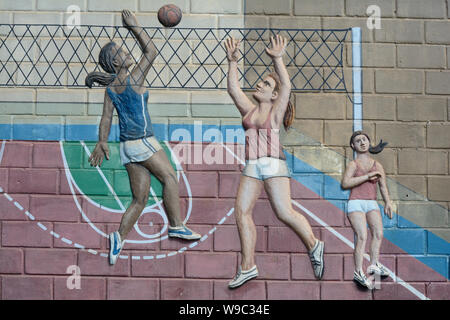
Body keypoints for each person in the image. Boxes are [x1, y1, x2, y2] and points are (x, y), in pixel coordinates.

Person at [85, 10, 201, 265]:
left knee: (140, 199)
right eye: (122, 53)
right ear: (116, 63)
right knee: (170, 177)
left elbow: (106, 118)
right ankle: (176, 225)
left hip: (127, 147)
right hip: (143, 140)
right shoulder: (133, 77)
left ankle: (119, 237)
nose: (127, 53)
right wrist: (135, 27)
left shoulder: (111, 88)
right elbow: (151, 51)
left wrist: (102, 141)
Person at [224, 35, 325, 289]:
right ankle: (248, 267)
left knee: (284, 212)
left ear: (274, 93)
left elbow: (287, 87)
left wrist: (278, 59)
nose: (259, 85)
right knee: (241, 212)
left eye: (266, 83)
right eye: (261, 82)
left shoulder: (275, 110)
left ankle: (314, 244)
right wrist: (232, 61)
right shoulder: (249, 110)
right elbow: (233, 90)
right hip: (252, 166)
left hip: (273, 164)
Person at [341, 131, 392, 289]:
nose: (362, 142)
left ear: (369, 143)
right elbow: (345, 183)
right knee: (362, 236)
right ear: (353, 146)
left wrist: (388, 203)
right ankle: (358, 271)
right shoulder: (353, 164)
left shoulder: (377, 165)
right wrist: (367, 177)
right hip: (356, 203)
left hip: (371, 202)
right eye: (358, 141)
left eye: (364, 140)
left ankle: (374, 264)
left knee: (378, 233)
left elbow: (383, 186)